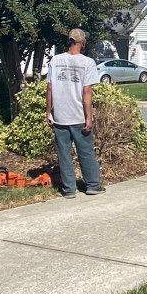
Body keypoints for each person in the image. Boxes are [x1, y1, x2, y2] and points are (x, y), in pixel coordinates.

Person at [46, 28, 105, 198]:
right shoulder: (87, 62)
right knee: (85, 151)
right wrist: (89, 117)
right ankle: (93, 185)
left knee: (64, 154)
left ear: (69, 40)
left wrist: (48, 112)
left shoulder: (56, 60)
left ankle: (69, 190)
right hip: (79, 116)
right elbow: (87, 92)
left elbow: (49, 87)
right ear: (82, 42)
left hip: (60, 117)